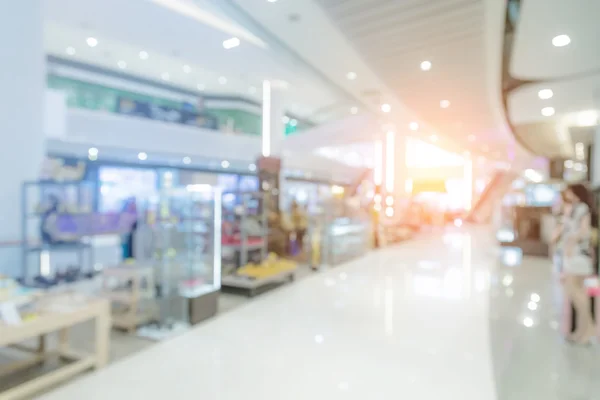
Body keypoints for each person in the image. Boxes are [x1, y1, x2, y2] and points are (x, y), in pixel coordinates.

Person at [560, 184, 597, 344]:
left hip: (577, 255)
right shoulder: (577, 207)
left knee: (575, 290)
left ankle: (588, 328)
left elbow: (583, 231)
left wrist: (570, 243)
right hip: (577, 255)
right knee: (578, 291)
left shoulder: (581, 208)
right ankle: (584, 330)